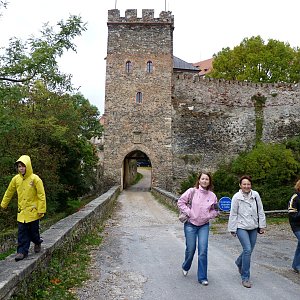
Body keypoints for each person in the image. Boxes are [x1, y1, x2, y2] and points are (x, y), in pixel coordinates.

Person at [0, 155, 46, 261]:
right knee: (22, 232)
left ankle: (37, 242)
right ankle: (21, 251)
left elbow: (41, 195)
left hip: (33, 212)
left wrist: (41, 210)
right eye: (19, 166)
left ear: (28, 166)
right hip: (22, 212)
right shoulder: (16, 179)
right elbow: (9, 192)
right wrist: (3, 204)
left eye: (23, 166)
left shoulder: (35, 179)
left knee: (34, 232)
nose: (21, 168)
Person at [177, 172, 218, 286]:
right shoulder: (192, 191)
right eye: (203, 179)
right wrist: (189, 212)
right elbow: (181, 202)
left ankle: (202, 277)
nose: (205, 181)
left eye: (207, 179)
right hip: (190, 224)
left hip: (204, 225)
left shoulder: (212, 196)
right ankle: (186, 265)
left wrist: (209, 216)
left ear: (209, 182)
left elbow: (216, 210)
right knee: (191, 249)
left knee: (203, 251)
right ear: (199, 180)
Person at [228, 175, 266, 288]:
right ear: (240, 185)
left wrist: (262, 225)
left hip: (253, 226)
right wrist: (232, 228)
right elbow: (233, 213)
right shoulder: (236, 197)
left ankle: (239, 262)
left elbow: (260, 210)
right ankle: (245, 277)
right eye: (244, 184)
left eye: (248, 184)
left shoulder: (255, 195)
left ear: (251, 185)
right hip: (241, 226)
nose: (246, 186)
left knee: (249, 250)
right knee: (247, 249)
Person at [288, 179, 300, 273]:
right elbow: (292, 214)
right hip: (296, 226)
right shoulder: (295, 197)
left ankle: (296, 265)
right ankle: (297, 265)